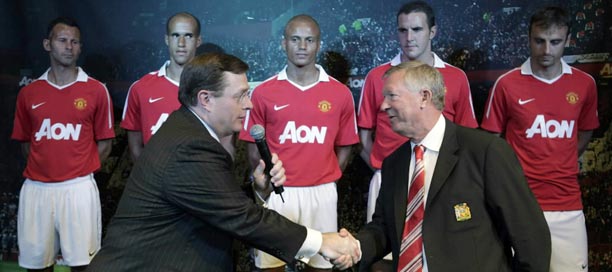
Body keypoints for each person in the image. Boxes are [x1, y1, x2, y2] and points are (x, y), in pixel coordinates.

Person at [86, 53, 360, 271]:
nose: (250, 104)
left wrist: (259, 189)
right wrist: (321, 242)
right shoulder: (189, 146)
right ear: (205, 99)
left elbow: (215, 203)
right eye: (240, 95)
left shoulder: (190, 132)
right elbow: (238, 217)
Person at [345, 61, 552, 271]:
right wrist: (355, 248)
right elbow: (385, 229)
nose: (383, 105)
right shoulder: (393, 164)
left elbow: (530, 237)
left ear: (424, 97)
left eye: (392, 96)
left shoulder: (485, 152)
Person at [481, 6, 599, 271]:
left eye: (555, 42)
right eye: (539, 41)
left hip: (567, 205)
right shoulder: (506, 84)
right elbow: (489, 142)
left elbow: (586, 130)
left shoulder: (585, 84)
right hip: (518, 203)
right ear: (529, 39)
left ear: (568, 41)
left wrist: (563, 158)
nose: (547, 50)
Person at [238, 14, 359, 272]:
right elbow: (251, 147)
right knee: (271, 266)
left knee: (323, 265)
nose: (302, 46)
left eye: (309, 40)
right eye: (295, 39)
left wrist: (327, 179)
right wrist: (268, 186)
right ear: (283, 44)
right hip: (280, 194)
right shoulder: (263, 92)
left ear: (318, 44)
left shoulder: (340, 93)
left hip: (322, 193)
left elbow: (346, 146)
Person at [357, 1, 478, 234]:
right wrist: (384, 170)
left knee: (441, 253)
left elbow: (468, 137)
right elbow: (362, 137)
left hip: (443, 181)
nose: (409, 37)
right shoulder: (376, 77)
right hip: (388, 180)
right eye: (403, 30)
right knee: (382, 255)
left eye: (417, 29)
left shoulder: (456, 77)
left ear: (432, 32)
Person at [11, 17, 115, 271]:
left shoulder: (96, 90)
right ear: (47, 44)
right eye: (62, 40)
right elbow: (26, 144)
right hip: (36, 190)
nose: (69, 46)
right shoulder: (29, 93)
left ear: (80, 48)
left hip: (78, 189)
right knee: (36, 267)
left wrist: (76, 171)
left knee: (83, 266)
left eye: (75, 42)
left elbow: (105, 143)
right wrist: (46, 170)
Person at [120, 12, 234, 161]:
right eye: (175, 35)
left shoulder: (215, 87)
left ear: (198, 41)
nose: (181, 43)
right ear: (167, 39)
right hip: (155, 181)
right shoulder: (140, 88)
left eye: (188, 36)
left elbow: (226, 147)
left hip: (202, 180)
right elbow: (135, 147)